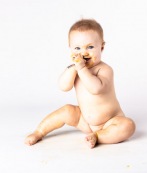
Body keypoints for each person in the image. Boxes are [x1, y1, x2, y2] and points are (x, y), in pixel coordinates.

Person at [25, 18, 135, 148]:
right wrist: (74, 69)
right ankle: (39, 132)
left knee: (128, 126)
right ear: (70, 49)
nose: (83, 52)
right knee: (66, 110)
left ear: (102, 47)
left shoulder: (105, 69)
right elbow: (64, 87)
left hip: (109, 121)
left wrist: (81, 69)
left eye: (90, 47)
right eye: (77, 48)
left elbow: (96, 88)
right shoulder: (75, 69)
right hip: (84, 121)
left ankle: (98, 136)